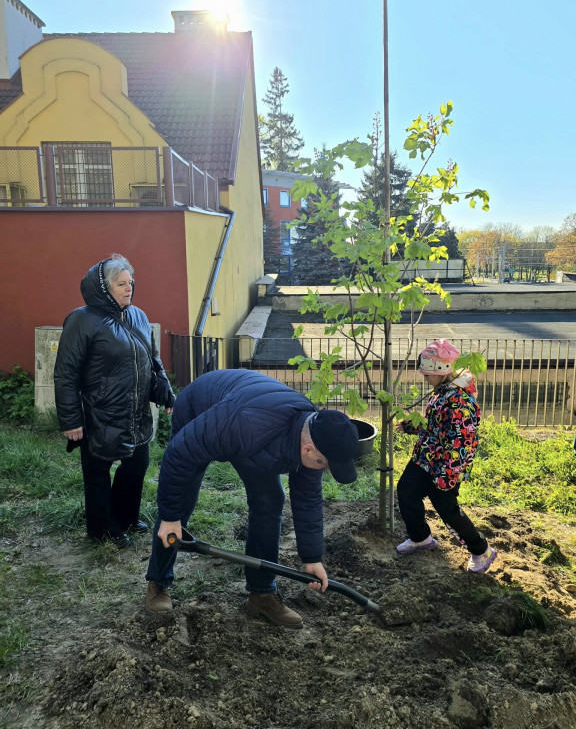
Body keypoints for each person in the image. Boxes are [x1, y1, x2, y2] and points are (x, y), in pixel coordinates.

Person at [144, 369, 360, 627]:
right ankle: (158, 581)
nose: (323, 471)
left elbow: (308, 500)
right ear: (308, 449)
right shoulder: (246, 422)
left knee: (270, 500)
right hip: (203, 408)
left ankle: (262, 593)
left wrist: (312, 558)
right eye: (324, 465)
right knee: (181, 499)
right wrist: (170, 516)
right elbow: (179, 455)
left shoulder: (313, 434)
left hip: (252, 431)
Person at [54, 254, 175, 547]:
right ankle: (101, 529)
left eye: (130, 282)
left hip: (136, 413)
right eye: (121, 283)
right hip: (99, 414)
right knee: (97, 473)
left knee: (136, 465)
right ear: (104, 288)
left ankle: (125, 518)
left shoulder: (138, 316)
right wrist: (71, 421)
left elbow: (152, 361)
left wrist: (164, 392)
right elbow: (65, 373)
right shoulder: (82, 319)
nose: (129, 287)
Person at [395, 339, 497, 573]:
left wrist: (447, 475)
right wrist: (414, 426)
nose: (424, 378)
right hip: (425, 458)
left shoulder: (460, 400)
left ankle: (482, 550)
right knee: (406, 491)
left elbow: (462, 442)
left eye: (427, 374)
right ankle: (421, 538)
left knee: (448, 511)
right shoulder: (442, 392)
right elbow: (437, 425)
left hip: (445, 467)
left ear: (442, 371)